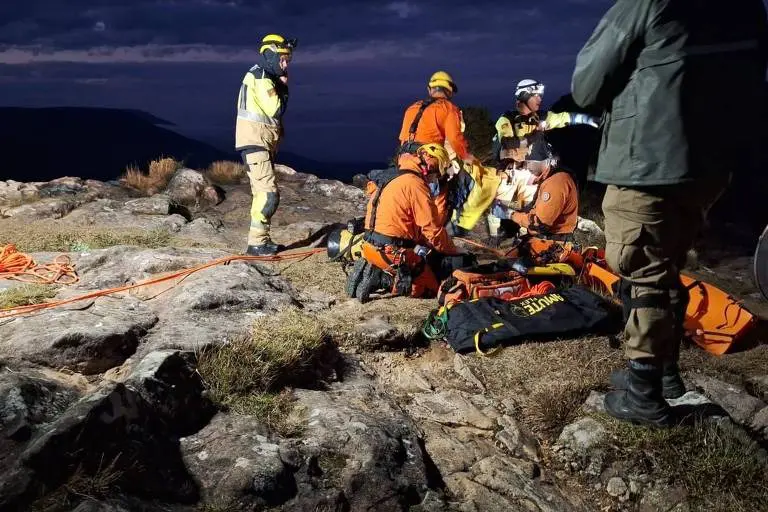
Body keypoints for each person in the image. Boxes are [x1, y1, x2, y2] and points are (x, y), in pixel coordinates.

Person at [571, 0, 768, 427]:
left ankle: (644, 395)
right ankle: (665, 374)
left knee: (640, 267)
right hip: (709, 166)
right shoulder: (750, 7)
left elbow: (587, 83)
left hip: (646, 158)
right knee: (667, 263)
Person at [347, 143, 472, 301]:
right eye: (435, 169)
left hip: (369, 247)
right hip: (393, 253)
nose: (434, 177)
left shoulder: (394, 177)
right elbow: (432, 230)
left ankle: (376, 268)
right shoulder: (416, 184)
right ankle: (383, 280)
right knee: (431, 289)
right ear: (427, 159)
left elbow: (406, 223)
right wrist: (452, 249)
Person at [235, 34, 297, 255]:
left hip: (258, 142)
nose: (285, 64)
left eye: (287, 59)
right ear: (270, 55)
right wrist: (284, 89)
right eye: (282, 59)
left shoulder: (259, 75)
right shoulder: (261, 78)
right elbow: (275, 109)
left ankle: (260, 240)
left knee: (261, 193)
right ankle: (257, 243)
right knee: (268, 194)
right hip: (256, 142)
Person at [491, 134, 579, 242]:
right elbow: (531, 207)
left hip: (554, 242)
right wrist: (507, 205)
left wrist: (510, 214)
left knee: (509, 258)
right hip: (546, 238)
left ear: (544, 161)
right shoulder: (546, 178)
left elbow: (538, 224)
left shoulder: (556, 183)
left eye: (529, 162)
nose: (527, 167)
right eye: (525, 163)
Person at [492, 79, 599, 160]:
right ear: (524, 95)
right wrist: (535, 136)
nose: (540, 99)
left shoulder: (541, 117)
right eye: (536, 95)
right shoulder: (507, 119)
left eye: (540, 95)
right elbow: (508, 143)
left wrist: (588, 119)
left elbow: (564, 118)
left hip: (539, 168)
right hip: (514, 172)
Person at [397, 71, 481, 168]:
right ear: (450, 91)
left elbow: (403, 140)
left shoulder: (411, 108)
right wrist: (466, 156)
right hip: (428, 160)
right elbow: (454, 138)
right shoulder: (449, 108)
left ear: (429, 89)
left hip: (403, 160)